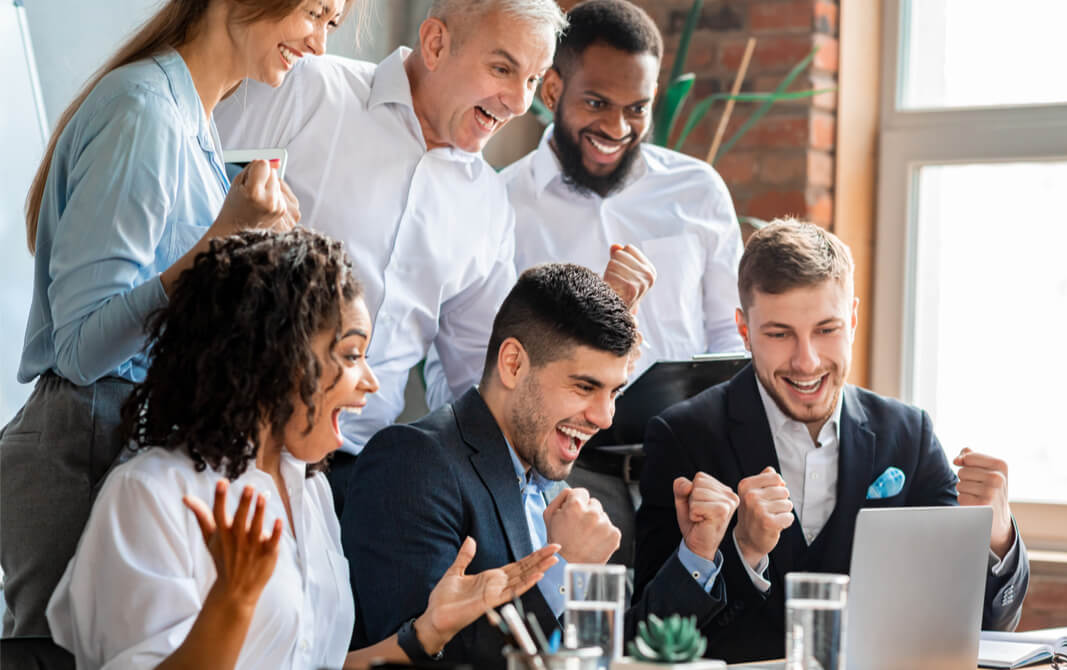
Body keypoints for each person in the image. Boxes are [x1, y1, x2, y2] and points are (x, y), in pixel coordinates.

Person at [47, 228, 558, 669]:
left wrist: (425, 634)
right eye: (351, 354)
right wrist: (232, 601)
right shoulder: (151, 495)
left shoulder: (307, 489)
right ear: (274, 355)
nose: (371, 383)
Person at [0, 0, 334, 636]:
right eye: (315, 13)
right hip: (84, 448)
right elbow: (78, 348)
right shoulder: (143, 111)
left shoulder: (194, 122)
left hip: (124, 439)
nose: (319, 44)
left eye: (332, 24)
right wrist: (219, 242)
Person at [215, 1, 614, 509]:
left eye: (533, 79)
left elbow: (478, 378)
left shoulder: (489, 207)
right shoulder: (304, 88)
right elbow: (187, 221)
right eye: (502, 68)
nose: (517, 101)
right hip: (232, 440)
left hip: (359, 480)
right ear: (435, 43)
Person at [634, 219, 1030, 664]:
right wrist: (742, 550)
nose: (807, 362)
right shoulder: (683, 437)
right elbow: (647, 636)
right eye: (779, 334)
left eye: (826, 330)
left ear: (854, 319)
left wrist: (996, 540)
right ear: (744, 331)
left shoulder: (909, 435)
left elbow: (980, 628)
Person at [341, 264, 739, 669]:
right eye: (585, 387)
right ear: (513, 364)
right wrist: (562, 569)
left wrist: (697, 554)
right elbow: (420, 658)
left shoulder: (546, 467)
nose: (605, 418)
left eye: (614, 391)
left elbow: (611, 654)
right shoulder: (413, 462)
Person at [502, 0, 744, 380]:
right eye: (597, 103)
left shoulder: (698, 190)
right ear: (551, 91)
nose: (617, 129)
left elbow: (732, 335)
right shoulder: (501, 204)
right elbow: (474, 358)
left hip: (687, 435)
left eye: (636, 108)